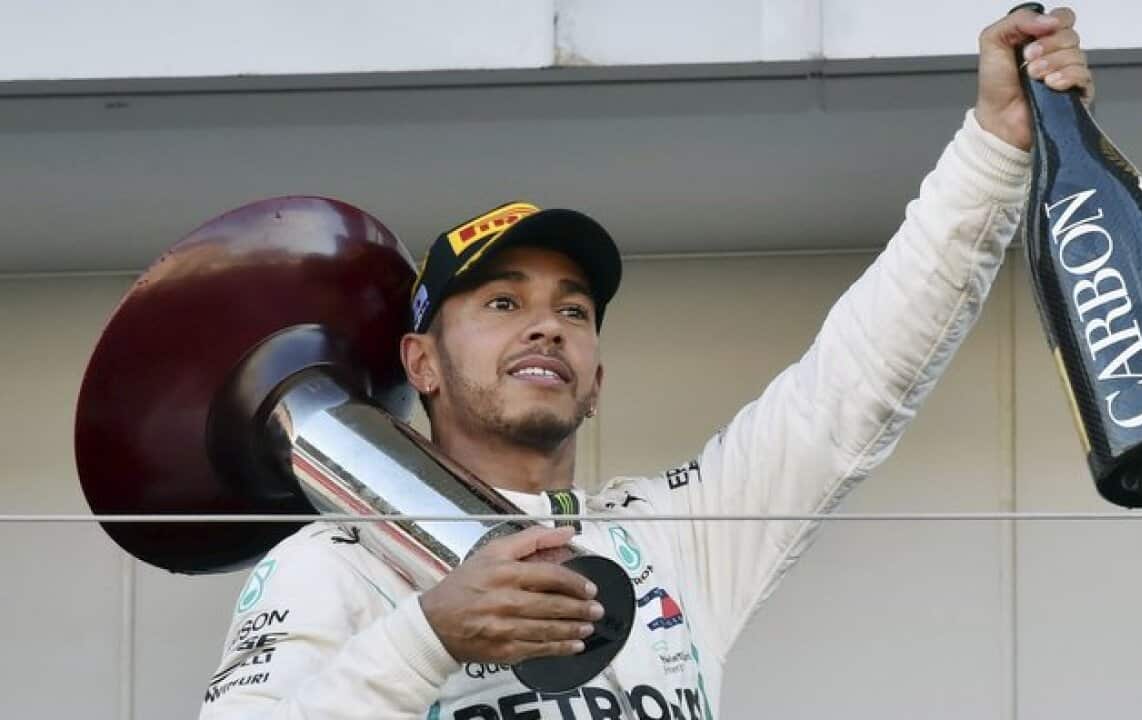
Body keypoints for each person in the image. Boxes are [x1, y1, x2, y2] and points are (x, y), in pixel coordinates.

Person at [200, 7, 1094, 719]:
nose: (546, 328)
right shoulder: (335, 561)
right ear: (421, 363)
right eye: (503, 304)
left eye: (574, 311)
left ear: (597, 380)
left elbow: (856, 380)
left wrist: (996, 147)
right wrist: (429, 637)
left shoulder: (670, 533)